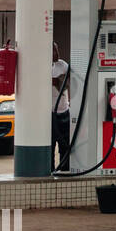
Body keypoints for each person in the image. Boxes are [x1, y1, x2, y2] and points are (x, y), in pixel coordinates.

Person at [50, 43, 70, 171]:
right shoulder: (41, 67)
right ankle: (50, 170)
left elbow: (70, 82)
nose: (57, 53)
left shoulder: (62, 65)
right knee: (50, 145)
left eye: (57, 49)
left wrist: (58, 81)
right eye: (53, 51)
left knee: (65, 145)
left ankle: (65, 169)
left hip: (64, 111)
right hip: (50, 113)